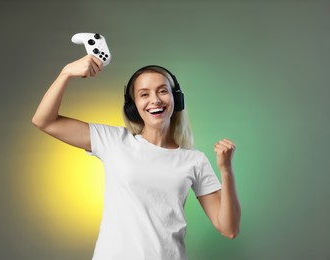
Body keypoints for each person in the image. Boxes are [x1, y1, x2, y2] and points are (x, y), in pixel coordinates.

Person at [32, 54, 241, 260]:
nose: (155, 100)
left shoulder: (194, 160)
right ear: (133, 106)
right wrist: (66, 73)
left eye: (162, 91)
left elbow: (229, 229)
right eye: (144, 94)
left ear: (176, 99)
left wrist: (226, 170)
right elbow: (45, 121)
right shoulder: (113, 141)